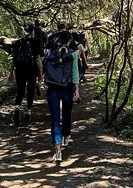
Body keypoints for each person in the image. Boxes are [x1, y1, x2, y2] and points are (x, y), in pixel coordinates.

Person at [43, 30, 80, 162]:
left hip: (52, 88)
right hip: (67, 88)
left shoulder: (50, 52)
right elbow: (75, 72)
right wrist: (77, 89)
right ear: (69, 41)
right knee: (66, 113)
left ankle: (58, 151)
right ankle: (66, 135)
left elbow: (44, 68)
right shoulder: (73, 53)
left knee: (55, 118)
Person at [10, 22, 43, 125]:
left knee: (20, 90)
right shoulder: (35, 42)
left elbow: (14, 59)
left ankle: (17, 108)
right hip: (31, 69)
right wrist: (40, 72)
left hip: (19, 69)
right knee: (30, 90)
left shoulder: (17, 43)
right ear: (32, 31)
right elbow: (37, 58)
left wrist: (11, 73)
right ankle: (28, 112)